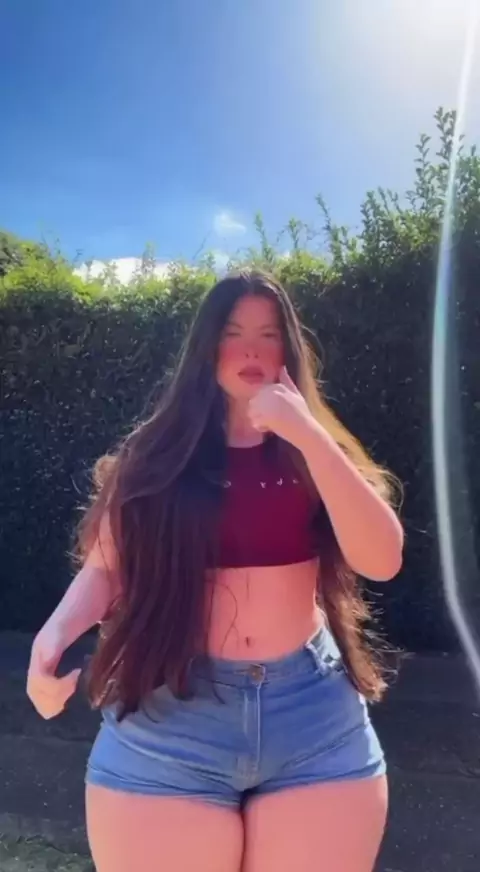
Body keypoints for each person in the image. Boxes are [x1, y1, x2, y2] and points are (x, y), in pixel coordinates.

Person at [27, 270, 403, 872]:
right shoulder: (157, 455)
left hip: (312, 718)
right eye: (233, 333)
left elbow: (382, 559)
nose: (251, 349)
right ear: (206, 346)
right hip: (172, 714)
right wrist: (51, 638)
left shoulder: (316, 452)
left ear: (288, 351)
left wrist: (308, 435)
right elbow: (107, 566)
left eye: (269, 335)